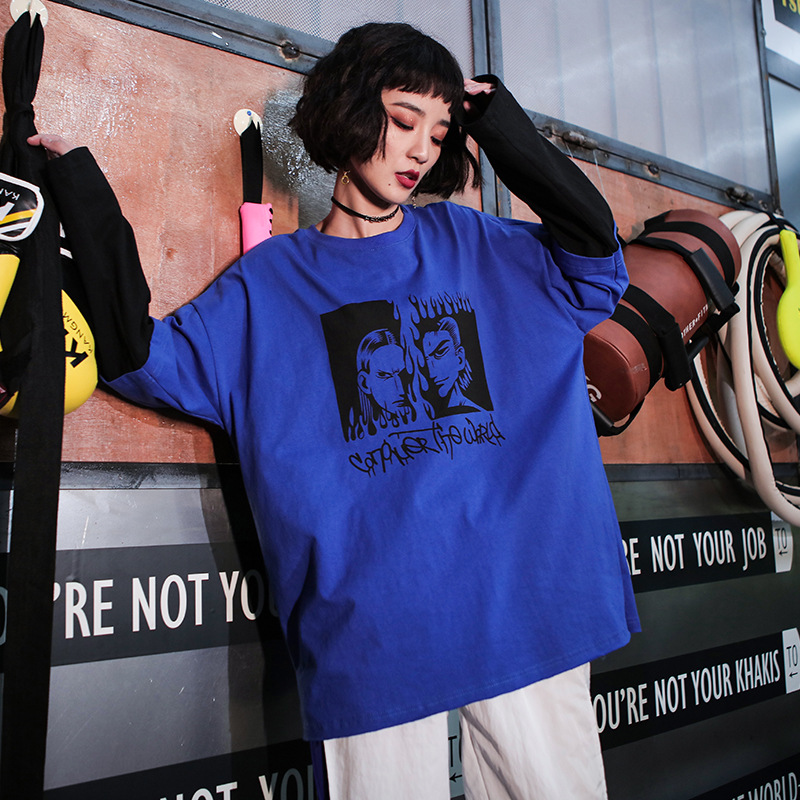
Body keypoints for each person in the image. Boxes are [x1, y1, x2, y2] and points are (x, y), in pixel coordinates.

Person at [30, 21, 639, 800]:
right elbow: (138, 358)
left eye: (439, 132)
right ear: (351, 108)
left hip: (525, 598)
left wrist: (498, 121)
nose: (420, 150)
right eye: (404, 119)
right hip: (374, 630)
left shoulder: (479, 246)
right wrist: (77, 192)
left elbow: (595, 259)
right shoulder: (270, 288)